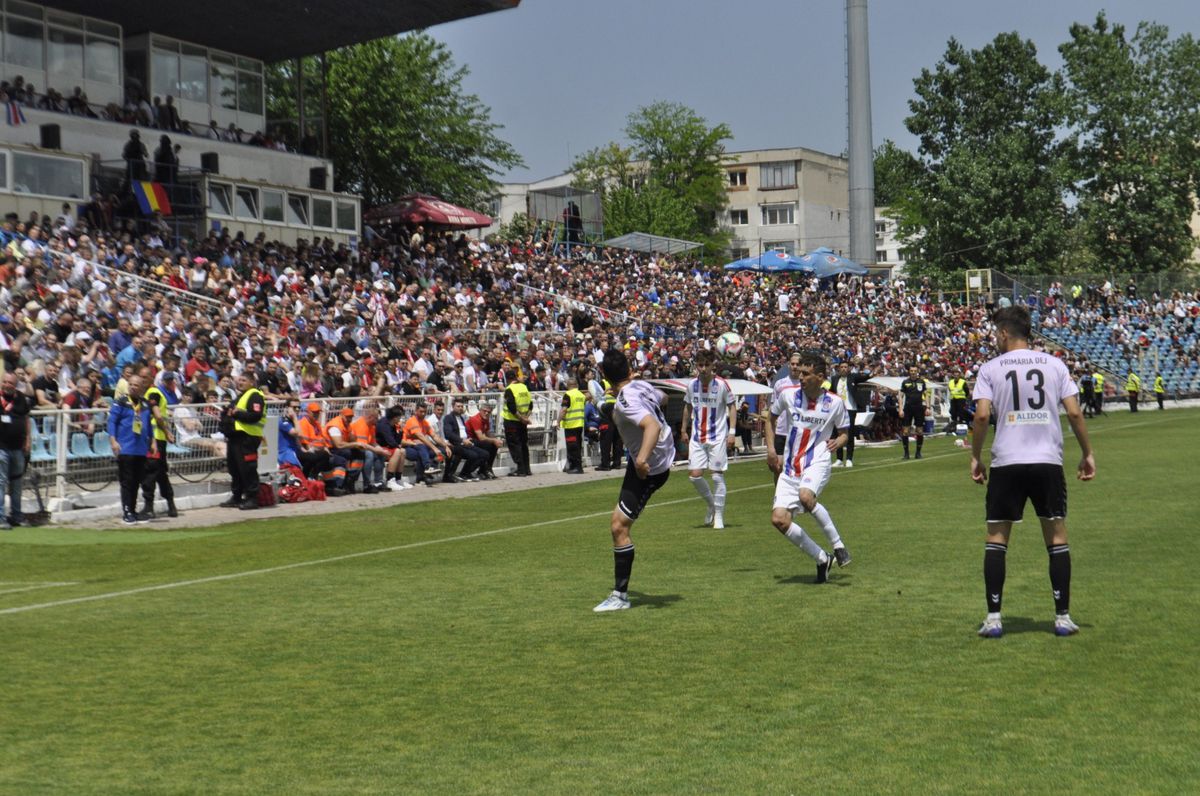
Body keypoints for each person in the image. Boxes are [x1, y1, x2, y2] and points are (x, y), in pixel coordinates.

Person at [970, 305, 1095, 638]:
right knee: (1055, 536)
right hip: (1047, 461)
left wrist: (975, 456)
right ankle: (1062, 617)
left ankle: (994, 618)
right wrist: (1087, 453)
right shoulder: (1054, 364)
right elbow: (1074, 413)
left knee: (997, 538)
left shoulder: (990, 368)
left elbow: (982, 417)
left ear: (1004, 332)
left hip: (1007, 460)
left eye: (995, 332)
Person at [593, 351, 675, 612]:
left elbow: (652, 426)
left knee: (619, 527)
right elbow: (664, 398)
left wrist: (641, 460)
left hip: (650, 468)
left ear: (605, 376)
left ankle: (620, 596)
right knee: (616, 412)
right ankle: (600, 404)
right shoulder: (640, 386)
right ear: (629, 368)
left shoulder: (627, 398)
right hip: (659, 456)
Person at [768, 352, 852, 581]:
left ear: (820, 377)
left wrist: (838, 441)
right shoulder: (787, 396)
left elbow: (844, 433)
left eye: (806, 373)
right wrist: (771, 449)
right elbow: (771, 418)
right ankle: (822, 558)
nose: (800, 377)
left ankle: (838, 546)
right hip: (790, 465)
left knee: (805, 496)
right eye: (800, 372)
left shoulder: (834, 403)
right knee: (779, 520)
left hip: (817, 459)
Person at [680, 350, 736, 529]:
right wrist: (683, 429)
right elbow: (688, 407)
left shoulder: (721, 385)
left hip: (718, 436)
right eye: (700, 365)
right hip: (697, 436)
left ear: (713, 366)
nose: (703, 369)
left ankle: (719, 515)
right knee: (695, 476)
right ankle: (712, 505)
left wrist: (732, 432)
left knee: (717, 476)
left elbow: (732, 407)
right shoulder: (691, 386)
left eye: (706, 365)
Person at [107, 373, 153, 525]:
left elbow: (149, 425)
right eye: (131, 384)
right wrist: (113, 440)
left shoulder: (145, 404)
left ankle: (133, 510)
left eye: (136, 385)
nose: (133, 387)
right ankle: (126, 511)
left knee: (136, 481)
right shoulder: (120, 402)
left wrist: (152, 442)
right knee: (127, 481)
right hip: (125, 448)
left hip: (141, 449)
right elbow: (112, 422)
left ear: (142, 387)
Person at [220, 373, 265, 510]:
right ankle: (237, 496)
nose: (240, 382)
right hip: (235, 437)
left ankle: (252, 498)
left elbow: (255, 415)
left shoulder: (255, 395)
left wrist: (236, 413)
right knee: (234, 469)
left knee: (248, 468)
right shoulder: (240, 396)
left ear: (252, 382)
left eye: (244, 380)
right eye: (239, 380)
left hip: (248, 437)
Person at [140, 374, 178, 519]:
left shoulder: (152, 393)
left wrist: (167, 431)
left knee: (150, 472)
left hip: (154, 439)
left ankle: (149, 507)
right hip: (158, 438)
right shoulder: (154, 393)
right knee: (161, 473)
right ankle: (171, 504)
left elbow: (157, 415)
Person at [0, 372, 33, 530]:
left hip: (18, 447)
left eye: (10, 383)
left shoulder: (20, 398)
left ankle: (16, 515)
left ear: (15, 385)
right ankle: (0, 517)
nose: (7, 385)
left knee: (17, 483)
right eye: (5, 382)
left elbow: (26, 419)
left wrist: (28, 440)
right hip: (1, 448)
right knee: (0, 483)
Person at [765, 351, 803, 484]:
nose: (794, 367)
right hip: (781, 431)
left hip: (798, 432)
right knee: (777, 467)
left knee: (797, 467)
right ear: (788, 365)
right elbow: (772, 410)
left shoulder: (805, 385)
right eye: (792, 364)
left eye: (797, 364)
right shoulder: (780, 384)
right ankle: (778, 496)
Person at [830, 358, 871, 467]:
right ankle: (839, 459)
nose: (843, 369)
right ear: (839, 368)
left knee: (849, 434)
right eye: (842, 367)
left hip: (850, 409)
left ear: (849, 369)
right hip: (837, 410)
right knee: (837, 434)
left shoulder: (853, 377)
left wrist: (872, 374)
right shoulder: (834, 379)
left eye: (845, 367)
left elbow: (864, 377)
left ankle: (849, 459)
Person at [442, 397, 488, 482]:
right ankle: (457, 474)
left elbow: (463, 432)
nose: (460, 408)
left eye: (461, 406)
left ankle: (466, 473)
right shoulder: (449, 418)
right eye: (458, 406)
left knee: (484, 454)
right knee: (473, 455)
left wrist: (467, 439)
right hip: (456, 444)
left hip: (466, 442)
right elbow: (449, 434)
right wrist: (462, 440)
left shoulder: (461, 418)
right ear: (453, 407)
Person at [403, 402, 447, 487]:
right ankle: (426, 468)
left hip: (420, 448)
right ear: (416, 411)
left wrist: (446, 446)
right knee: (422, 448)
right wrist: (434, 448)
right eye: (421, 411)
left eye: (425, 412)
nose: (423, 414)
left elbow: (434, 436)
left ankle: (424, 474)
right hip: (407, 447)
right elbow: (421, 437)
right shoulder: (412, 421)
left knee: (441, 450)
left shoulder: (425, 422)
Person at [502, 368, 533, 477]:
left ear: (507, 379)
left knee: (515, 445)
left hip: (512, 421)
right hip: (523, 421)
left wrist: (521, 418)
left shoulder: (509, 389)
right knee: (524, 444)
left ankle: (520, 469)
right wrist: (525, 418)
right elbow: (531, 404)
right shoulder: (524, 387)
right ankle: (527, 468)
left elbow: (511, 407)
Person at [898, 365, 928, 459]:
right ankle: (906, 454)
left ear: (917, 371)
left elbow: (926, 394)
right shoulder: (905, 382)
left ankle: (918, 453)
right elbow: (901, 395)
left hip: (919, 408)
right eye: (911, 370)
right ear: (909, 371)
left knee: (919, 431)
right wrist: (900, 408)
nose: (913, 372)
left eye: (915, 371)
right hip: (908, 408)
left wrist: (927, 407)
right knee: (905, 431)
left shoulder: (921, 382)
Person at [465, 402, 501, 480]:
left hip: (476, 440)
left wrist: (496, 440)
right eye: (484, 411)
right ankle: (484, 470)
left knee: (493, 445)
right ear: (480, 410)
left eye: (488, 412)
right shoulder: (476, 419)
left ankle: (487, 468)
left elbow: (488, 433)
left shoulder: (486, 419)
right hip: (469, 440)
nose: (486, 413)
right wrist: (494, 440)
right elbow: (481, 437)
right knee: (489, 446)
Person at [559, 378, 587, 474]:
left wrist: (558, 421)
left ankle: (576, 468)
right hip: (579, 424)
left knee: (572, 447)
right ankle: (576, 466)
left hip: (570, 425)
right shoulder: (581, 395)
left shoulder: (568, 395)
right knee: (578, 446)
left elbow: (564, 410)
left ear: (568, 385)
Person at [944, 369, 970, 433]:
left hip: (961, 399)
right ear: (953, 375)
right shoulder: (950, 382)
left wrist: (964, 397)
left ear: (959, 375)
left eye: (957, 375)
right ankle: (954, 425)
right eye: (955, 375)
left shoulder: (963, 382)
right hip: (953, 399)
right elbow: (950, 390)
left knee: (961, 413)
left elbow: (967, 391)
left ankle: (961, 425)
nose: (956, 376)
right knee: (953, 412)